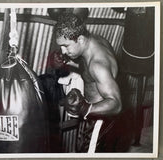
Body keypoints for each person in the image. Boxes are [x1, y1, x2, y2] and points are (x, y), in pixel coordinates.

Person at [55, 12, 133, 152]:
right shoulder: (94, 41)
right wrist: (67, 62)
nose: (63, 51)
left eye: (66, 46)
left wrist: (85, 109)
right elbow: (87, 71)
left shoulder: (98, 65)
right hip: (93, 116)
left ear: (80, 39)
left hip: (100, 122)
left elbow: (116, 104)